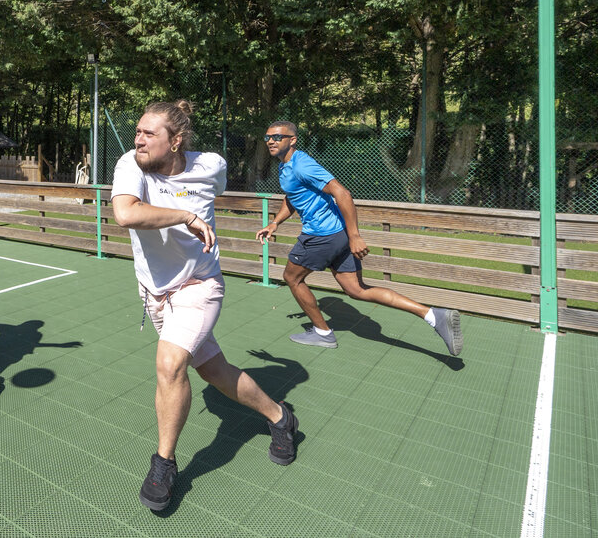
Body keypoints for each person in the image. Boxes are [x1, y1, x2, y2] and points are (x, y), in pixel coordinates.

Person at [111, 101, 297, 513]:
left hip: (199, 286)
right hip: (155, 294)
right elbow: (125, 213)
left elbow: (215, 190)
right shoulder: (130, 164)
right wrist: (185, 216)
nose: (138, 139)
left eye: (149, 134)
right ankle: (281, 416)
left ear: (176, 141)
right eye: (138, 131)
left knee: (170, 364)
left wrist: (191, 210)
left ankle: (164, 464)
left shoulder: (211, 164)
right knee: (214, 371)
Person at [255, 120, 463, 356]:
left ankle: (322, 333)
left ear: (292, 140)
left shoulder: (302, 165)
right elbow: (292, 196)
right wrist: (275, 222)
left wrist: (355, 236)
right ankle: (432, 315)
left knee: (292, 278)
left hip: (322, 235)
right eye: (267, 137)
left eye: (277, 137)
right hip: (337, 235)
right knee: (356, 290)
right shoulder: (286, 166)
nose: (270, 141)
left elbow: (342, 192)